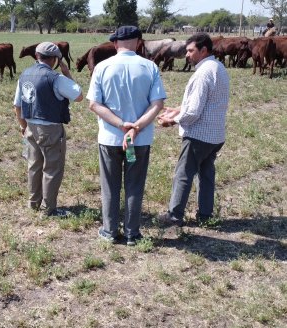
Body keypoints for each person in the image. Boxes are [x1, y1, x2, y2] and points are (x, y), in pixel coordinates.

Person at [86, 26, 166, 245]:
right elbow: (157, 104)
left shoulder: (102, 67)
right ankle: (132, 233)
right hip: (139, 141)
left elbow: (94, 104)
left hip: (110, 139)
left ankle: (110, 231)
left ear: (115, 44)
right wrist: (136, 127)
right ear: (139, 43)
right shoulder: (150, 67)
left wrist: (122, 125)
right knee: (134, 185)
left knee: (110, 186)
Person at [158, 32, 230, 228]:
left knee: (183, 174)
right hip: (215, 135)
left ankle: (174, 216)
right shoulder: (218, 67)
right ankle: (205, 215)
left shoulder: (202, 74)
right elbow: (209, 102)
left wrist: (171, 121)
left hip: (198, 135)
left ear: (203, 50)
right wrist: (179, 109)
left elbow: (195, 112)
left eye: (191, 51)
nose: (187, 54)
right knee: (206, 175)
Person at [13, 42, 83, 216]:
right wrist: (66, 73)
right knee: (52, 168)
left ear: (37, 55)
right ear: (55, 59)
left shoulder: (25, 75)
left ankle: (33, 202)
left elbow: (17, 105)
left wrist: (23, 126)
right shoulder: (56, 78)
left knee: (34, 165)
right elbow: (79, 96)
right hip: (50, 129)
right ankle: (49, 208)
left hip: (30, 126)